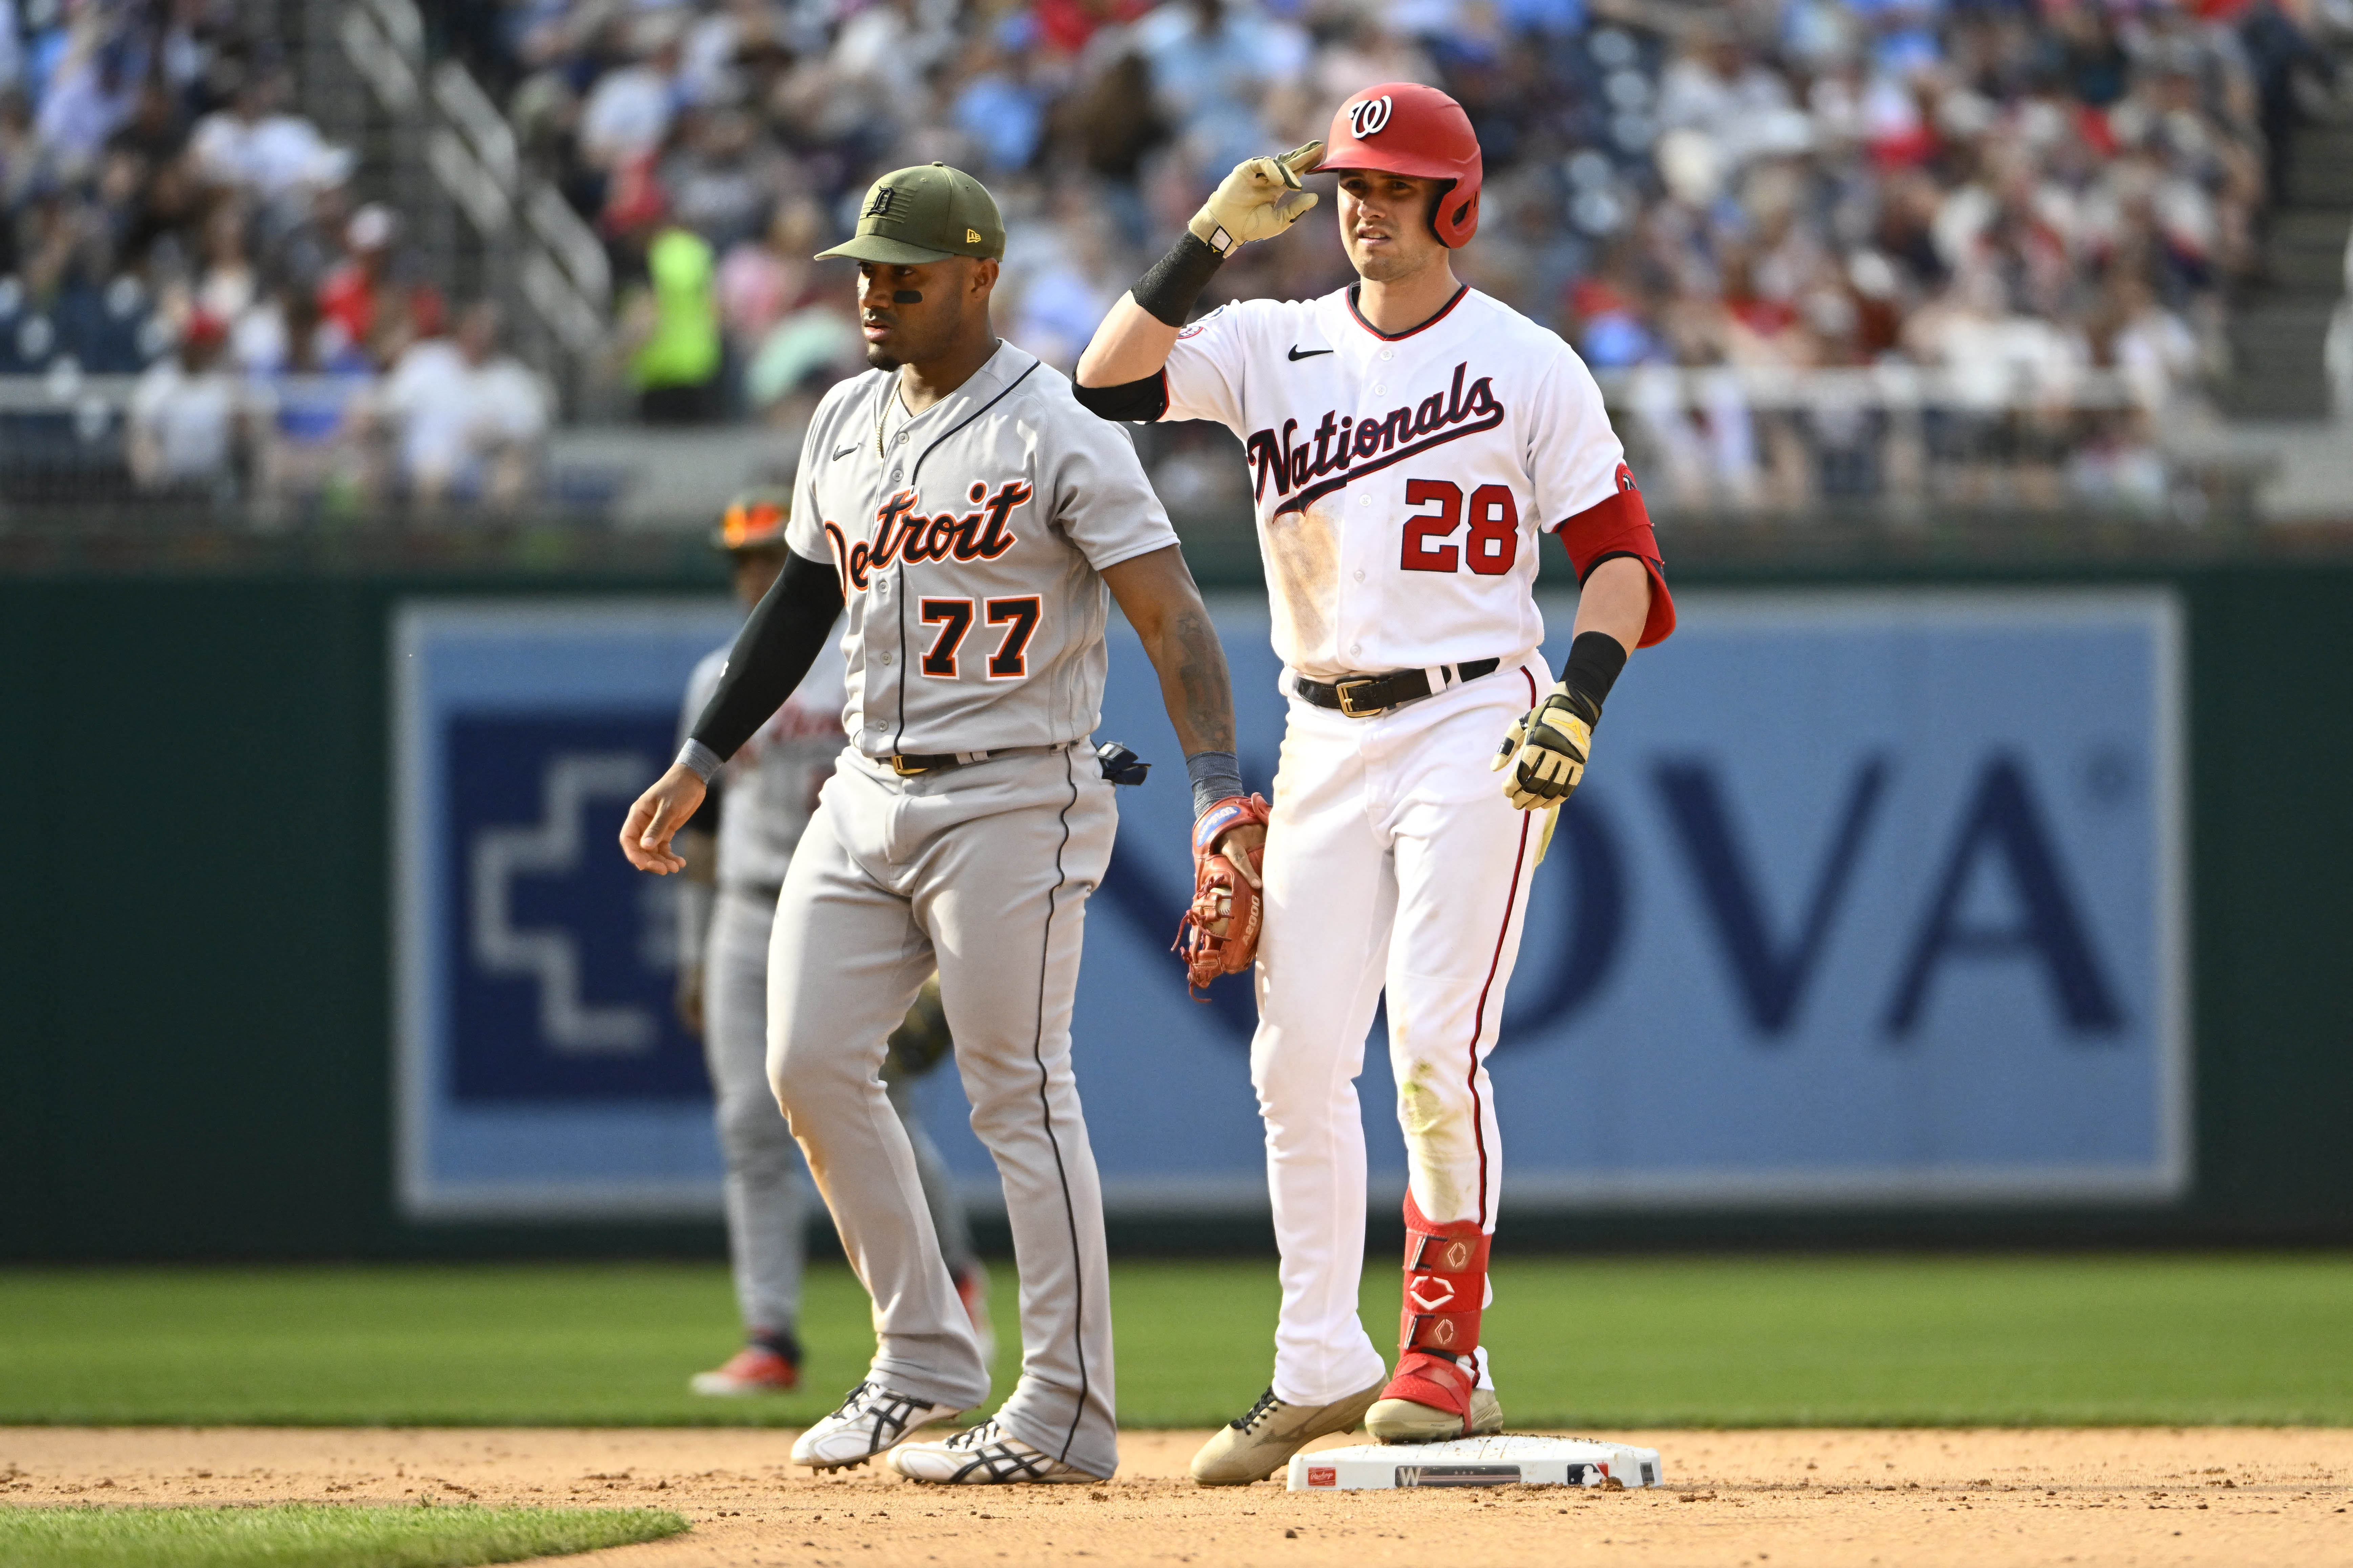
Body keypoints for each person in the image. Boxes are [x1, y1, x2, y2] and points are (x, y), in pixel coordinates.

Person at [1073, 83, 1677, 1484]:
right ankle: (1316, 1364)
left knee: (1430, 1046)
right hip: (1324, 730)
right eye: (1350, 182)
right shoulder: (1267, 342)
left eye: (1394, 186)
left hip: (1476, 711)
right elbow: (1103, 386)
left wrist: (1580, 702)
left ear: (1453, 206)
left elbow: (1620, 556)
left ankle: (1444, 1358)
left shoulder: (1528, 364)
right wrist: (1206, 238)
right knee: (1293, 1057)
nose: (1361, 205)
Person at [618, 162, 1258, 1485]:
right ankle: (921, 1353)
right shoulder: (843, 417)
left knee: (1013, 1095)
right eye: (863, 270)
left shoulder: (1062, 427)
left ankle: (1070, 1409)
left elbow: (1172, 617)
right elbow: (796, 604)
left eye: (903, 273)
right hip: (865, 786)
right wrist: (701, 756)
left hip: (1017, 789)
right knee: (804, 1061)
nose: (874, 293)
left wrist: (1214, 790)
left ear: (979, 277)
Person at [673, 491, 992, 1396]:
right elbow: (698, 838)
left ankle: (953, 1279)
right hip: (746, 905)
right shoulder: (717, 680)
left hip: (856, 904)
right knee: (749, 1127)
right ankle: (769, 1334)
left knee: (875, 1110)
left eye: (766, 556)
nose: (750, 574)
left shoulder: (872, 660)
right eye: (738, 560)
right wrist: (696, 954)